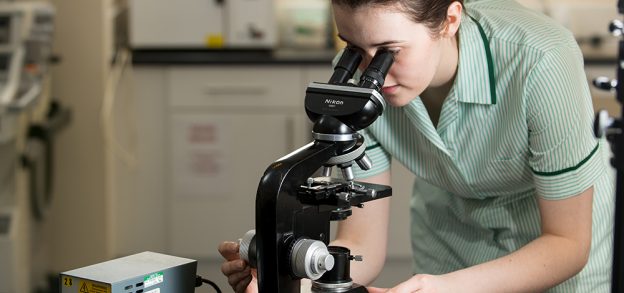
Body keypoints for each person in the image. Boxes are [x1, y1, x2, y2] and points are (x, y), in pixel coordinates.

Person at [219, 0, 615, 291]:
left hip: (557, 263)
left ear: (450, 20)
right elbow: (360, 245)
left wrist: (435, 289)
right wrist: (286, 276)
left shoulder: (541, 58)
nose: (372, 72)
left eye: (389, 52)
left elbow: (567, 243)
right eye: (354, 48)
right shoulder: (358, 81)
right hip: (450, 251)